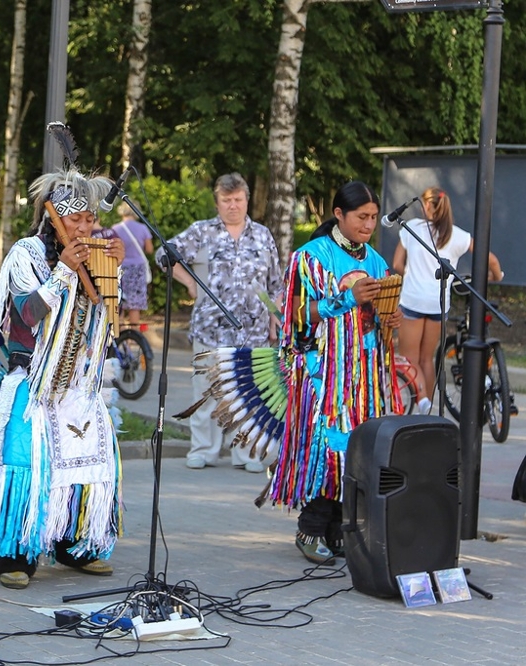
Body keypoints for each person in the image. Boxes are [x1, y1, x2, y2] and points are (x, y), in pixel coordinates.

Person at [0, 167, 126, 590]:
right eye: (74, 218)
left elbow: (105, 317)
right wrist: (63, 271)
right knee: (25, 464)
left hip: (80, 381)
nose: (83, 227)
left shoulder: (94, 254)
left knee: (91, 461)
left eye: (89, 219)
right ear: (52, 216)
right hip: (33, 382)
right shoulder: (27, 253)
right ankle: (15, 553)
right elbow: (26, 312)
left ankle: (73, 542)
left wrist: (115, 271)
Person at [270, 181, 403, 564]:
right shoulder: (309, 258)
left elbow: (379, 321)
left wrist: (390, 318)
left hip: (366, 374)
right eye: (362, 217)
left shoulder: (376, 261)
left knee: (359, 450)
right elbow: (294, 319)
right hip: (324, 374)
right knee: (329, 448)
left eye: (374, 217)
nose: (369, 224)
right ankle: (310, 529)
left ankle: (338, 528)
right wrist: (346, 299)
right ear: (339, 215)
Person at [155, 173, 283, 473]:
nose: (233, 206)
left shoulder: (263, 235)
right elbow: (164, 254)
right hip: (210, 328)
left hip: (254, 331)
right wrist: (189, 283)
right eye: (226, 200)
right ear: (217, 202)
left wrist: (276, 316)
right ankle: (203, 449)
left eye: (238, 200)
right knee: (206, 393)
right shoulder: (202, 232)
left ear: (247, 200)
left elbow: (277, 282)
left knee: (249, 395)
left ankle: (247, 453)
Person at [391, 186, 503, 414]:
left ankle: (420, 399)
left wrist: (412, 274)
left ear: (428, 206)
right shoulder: (457, 235)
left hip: (412, 300)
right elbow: (490, 259)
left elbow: (397, 264)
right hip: (438, 303)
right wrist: (495, 276)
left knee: (409, 358)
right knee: (426, 358)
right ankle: (427, 406)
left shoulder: (411, 228)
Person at [112, 202, 154, 328]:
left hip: (120, 268)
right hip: (138, 269)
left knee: (119, 301)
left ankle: (119, 337)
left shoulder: (115, 229)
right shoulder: (143, 228)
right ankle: (133, 336)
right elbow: (150, 249)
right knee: (134, 304)